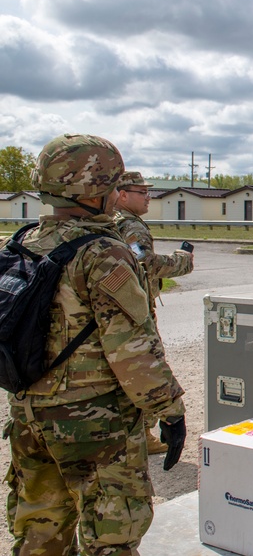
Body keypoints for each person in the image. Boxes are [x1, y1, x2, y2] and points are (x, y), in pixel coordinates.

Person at [4, 134, 186, 554]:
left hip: (29, 414)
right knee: (111, 536)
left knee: (38, 532)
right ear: (101, 188)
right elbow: (133, 352)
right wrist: (170, 409)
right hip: (94, 423)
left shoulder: (25, 239)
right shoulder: (103, 253)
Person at [114, 170, 193, 455]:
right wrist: (182, 261)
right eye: (142, 192)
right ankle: (143, 434)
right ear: (123, 195)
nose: (149, 197)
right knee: (146, 364)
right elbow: (146, 263)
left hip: (118, 308)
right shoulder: (131, 226)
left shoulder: (110, 221)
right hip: (135, 309)